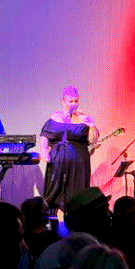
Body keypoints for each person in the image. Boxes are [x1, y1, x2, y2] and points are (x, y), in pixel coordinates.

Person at [39, 85, 98, 213]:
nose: (74, 104)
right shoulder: (55, 118)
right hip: (57, 160)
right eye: (70, 101)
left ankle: (76, 217)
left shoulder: (84, 119)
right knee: (54, 191)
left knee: (77, 192)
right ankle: (53, 217)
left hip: (79, 161)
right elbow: (44, 136)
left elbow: (93, 140)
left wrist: (92, 125)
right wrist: (43, 152)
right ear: (63, 102)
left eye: (76, 101)